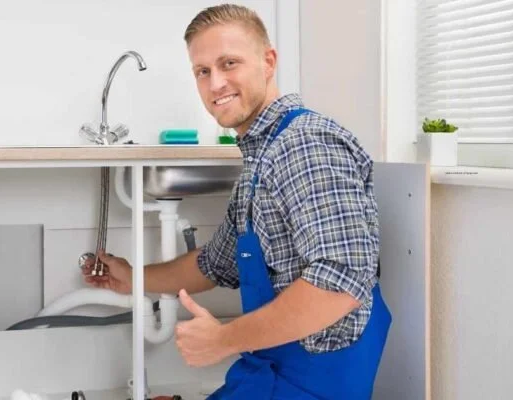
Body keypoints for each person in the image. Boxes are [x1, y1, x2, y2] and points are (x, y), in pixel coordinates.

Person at [83, 4, 391, 399]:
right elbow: (215, 264)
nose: (215, 84)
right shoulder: (261, 158)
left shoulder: (304, 144)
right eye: (202, 71)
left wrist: (223, 339)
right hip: (270, 375)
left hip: (312, 387)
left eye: (229, 63)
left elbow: (340, 282)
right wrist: (133, 277)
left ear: (268, 62)